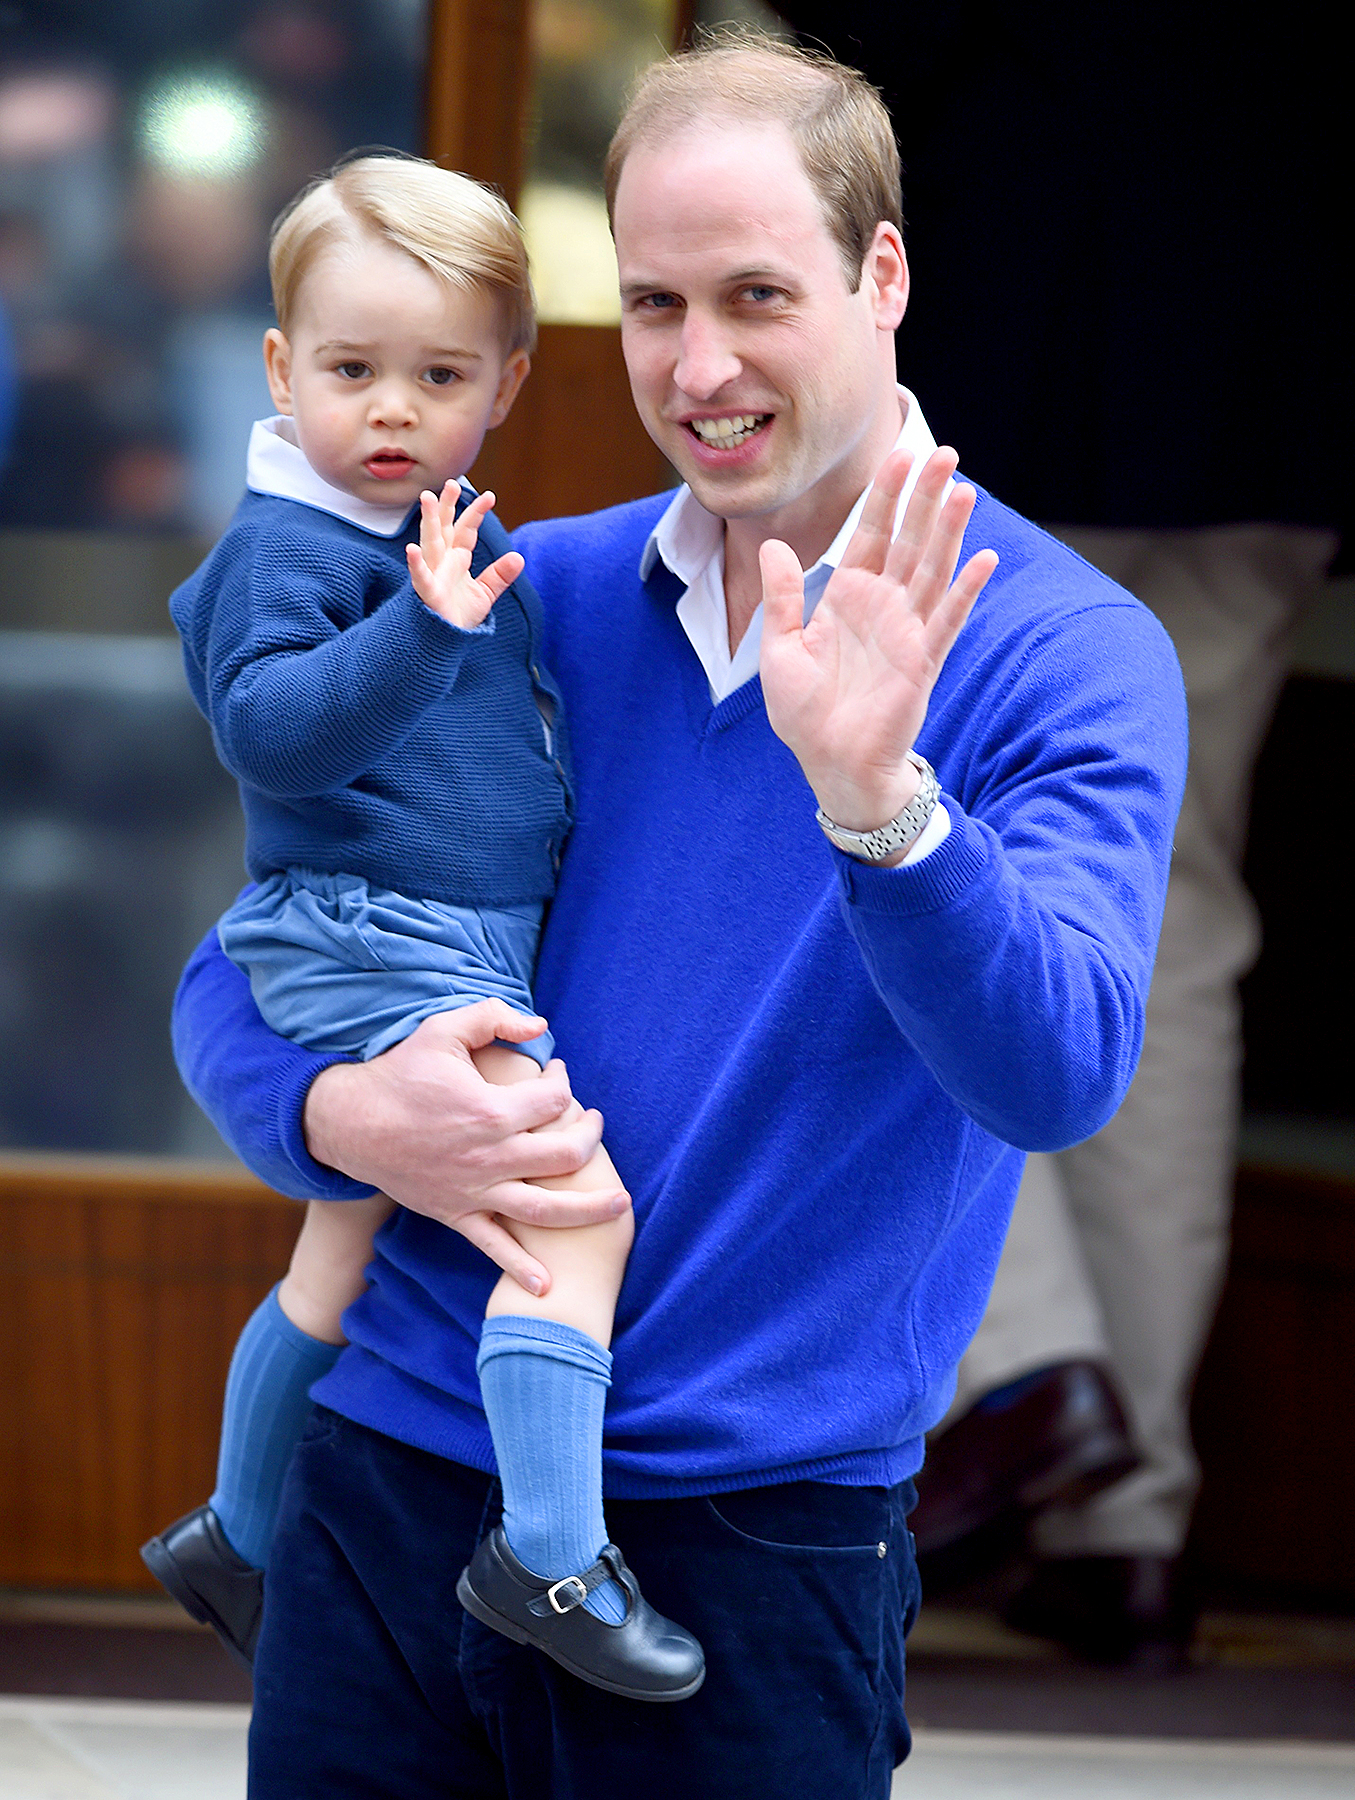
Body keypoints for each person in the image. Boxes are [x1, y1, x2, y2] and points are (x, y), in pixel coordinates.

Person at [172, 40, 1186, 1796]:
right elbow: (240, 964)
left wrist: (884, 806)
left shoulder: (1066, 649)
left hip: (752, 1542)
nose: (699, 367)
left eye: (755, 296)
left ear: (883, 274)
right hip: (388, 1491)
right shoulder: (524, 589)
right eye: (654, 303)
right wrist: (342, 1115)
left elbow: (1058, 1076)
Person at [768, 3, 1343, 1665]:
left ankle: (1026, 1376)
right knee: (1170, 930)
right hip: (1271, 351)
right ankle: (1124, 1520)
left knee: (870, 831)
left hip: (1020, 310)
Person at [142, 151, 702, 1701]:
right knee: (572, 1216)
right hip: (379, 934)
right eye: (351, 371)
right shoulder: (290, 550)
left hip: (433, 936)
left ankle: (235, 1536)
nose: (391, 409)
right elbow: (273, 737)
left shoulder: (433, 538)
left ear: (507, 383)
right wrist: (421, 627)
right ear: (281, 370)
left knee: (343, 1247)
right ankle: (550, 1558)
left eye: (439, 376)